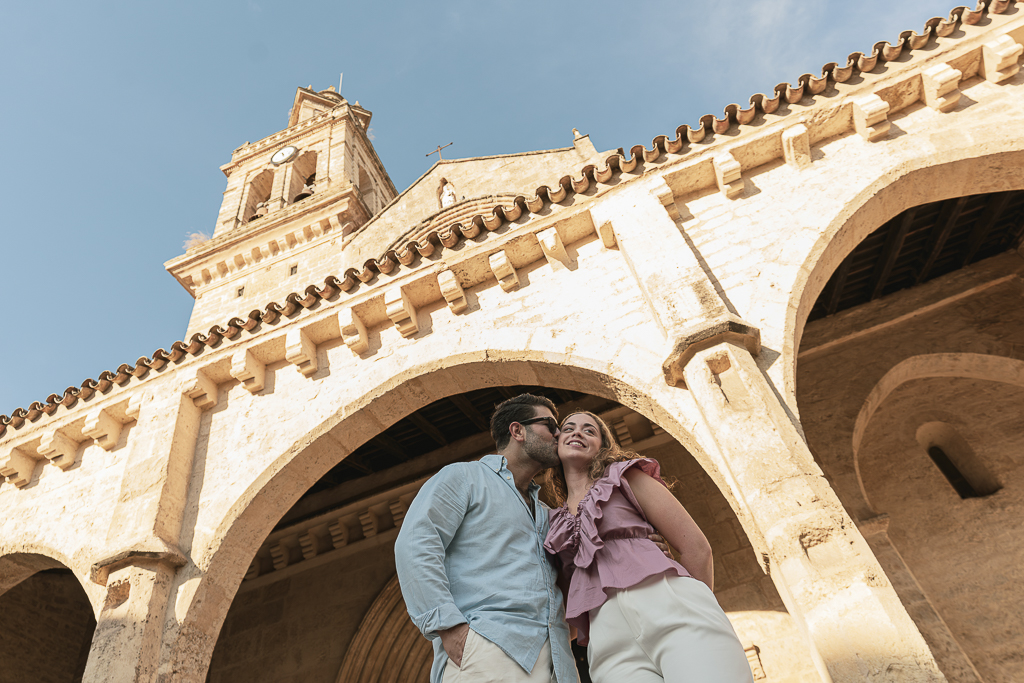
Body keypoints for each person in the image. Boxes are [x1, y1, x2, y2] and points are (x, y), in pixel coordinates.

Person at [544, 411, 753, 683]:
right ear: (557, 442)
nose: (577, 433)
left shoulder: (624, 477)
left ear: (602, 446)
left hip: (672, 608)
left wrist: (696, 607)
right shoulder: (554, 523)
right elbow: (566, 607)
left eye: (589, 430)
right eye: (569, 428)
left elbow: (697, 548)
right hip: (609, 642)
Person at [394, 393, 579, 683]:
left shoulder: (546, 514)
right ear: (517, 431)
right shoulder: (464, 477)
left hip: (556, 664)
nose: (559, 434)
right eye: (550, 425)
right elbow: (416, 543)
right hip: (487, 652)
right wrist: (450, 629)